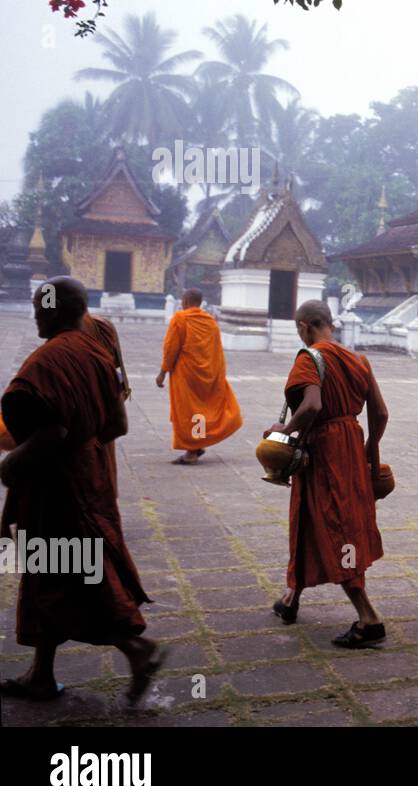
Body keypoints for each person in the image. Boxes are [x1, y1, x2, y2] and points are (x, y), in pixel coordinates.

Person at [0, 276, 163, 702]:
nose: (36, 313)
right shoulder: (98, 351)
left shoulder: (47, 361)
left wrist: (12, 463)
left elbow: (52, 431)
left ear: (55, 311)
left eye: (41, 307)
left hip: (56, 488)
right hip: (90, 478)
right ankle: (41, 672)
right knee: (50, 575)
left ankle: (137, 649)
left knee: (73, 576)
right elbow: (118, 425)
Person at [267, 300, 389, 648]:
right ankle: (291, 599)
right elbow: (380, 414)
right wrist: (368, 450)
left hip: (323, 451)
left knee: (336, 526)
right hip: (350, 445)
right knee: (310, 518)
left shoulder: (310, 358)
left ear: (304, 326)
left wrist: (285, 432)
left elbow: (312, 406)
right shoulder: (358, 360)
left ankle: (369, 618)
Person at [155, 288, 242, 464]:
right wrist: (217, 375)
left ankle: (192, 451)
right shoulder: (210, 321)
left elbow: (171, 348)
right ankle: (197, 444)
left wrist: (162, 372)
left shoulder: (180, 319)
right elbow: (217, 351)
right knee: (200, 411)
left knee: (189, 412)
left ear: (185, 301)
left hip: (186, 374)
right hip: (207, 373)